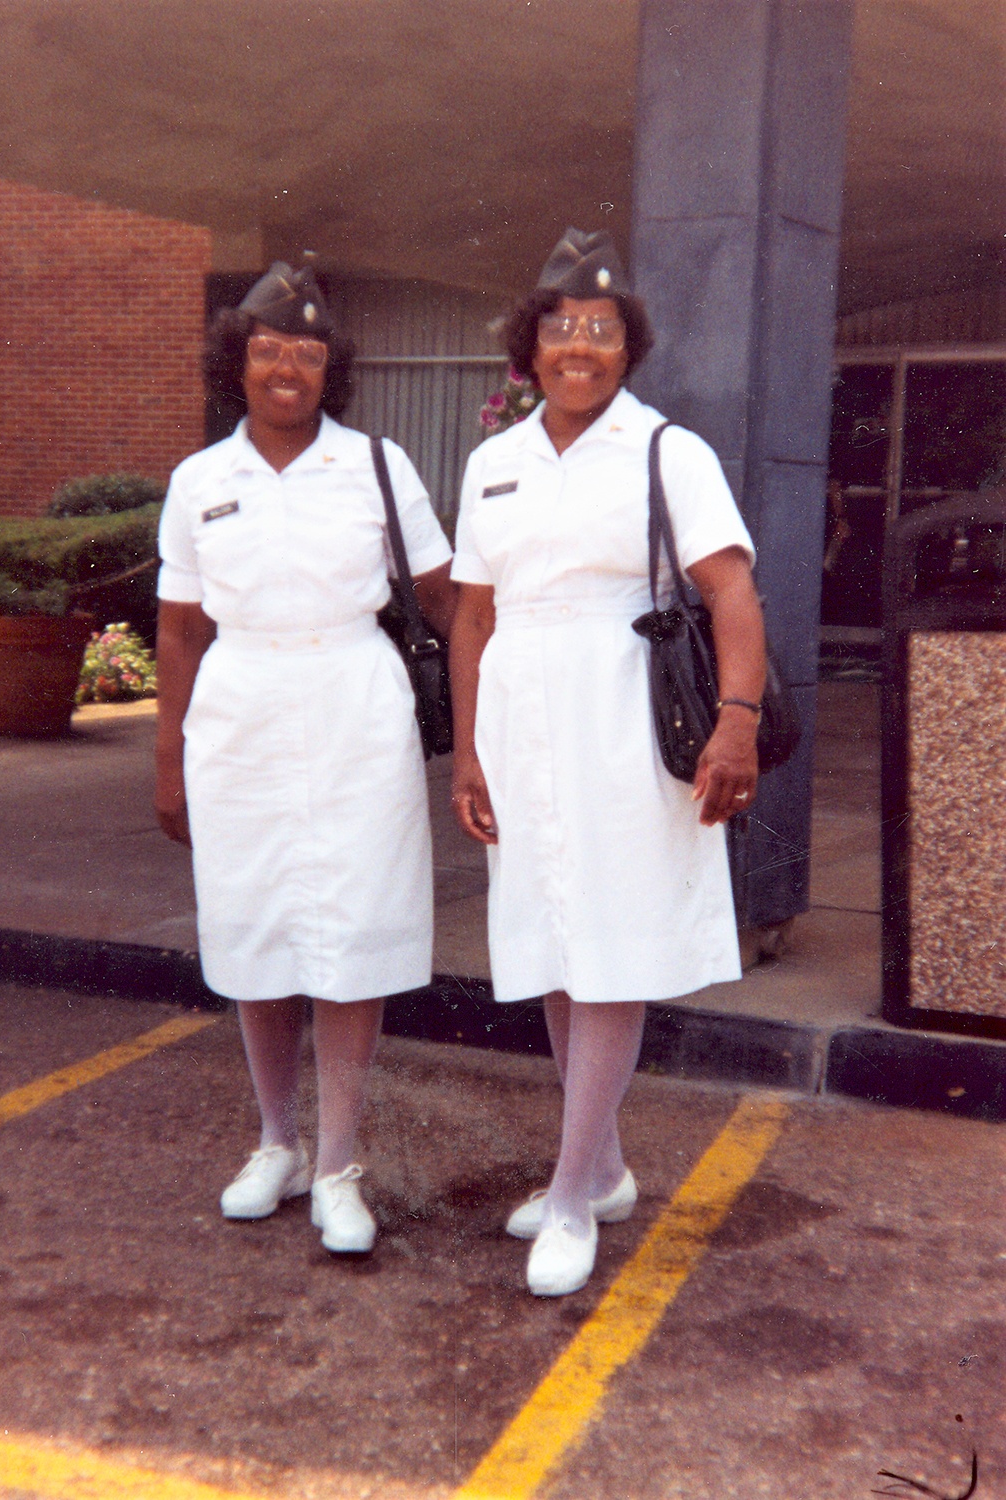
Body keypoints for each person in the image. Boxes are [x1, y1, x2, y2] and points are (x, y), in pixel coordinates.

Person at [449, 229, 765, 1297]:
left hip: (625, 715)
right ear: (527, 350)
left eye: (601, 331)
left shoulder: (669, 450)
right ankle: (607, 1165)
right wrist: (469, 755)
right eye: (559, 330)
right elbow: (472, 616)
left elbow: (730, 592)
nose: (578, 347)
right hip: (520, 717)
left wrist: (737, 721)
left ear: (627, 350)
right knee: (551, 938)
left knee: (613, 944)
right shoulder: (494, 462)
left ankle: (574, 1194)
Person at [154, 261, 456, 1253]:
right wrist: (167, 757)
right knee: (257, 928)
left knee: (349, 931)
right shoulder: (201, 481)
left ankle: (338, 1166)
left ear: (334, 371)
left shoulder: (377, 466)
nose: (287, 367)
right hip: (238, 716)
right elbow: (182, 632)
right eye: (268, 349)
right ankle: (276, 1143)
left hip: (354, 708)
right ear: (236, 364)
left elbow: (453, 603)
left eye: (308, 353)